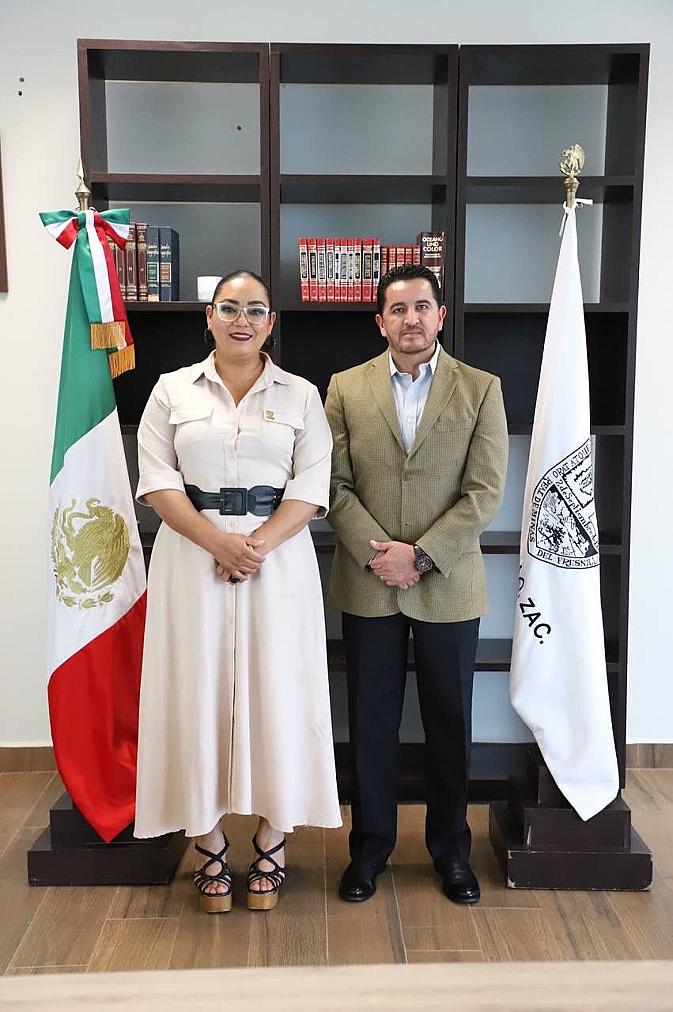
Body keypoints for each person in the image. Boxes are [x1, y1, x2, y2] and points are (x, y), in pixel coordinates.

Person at [134, 269, 341, 913]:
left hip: (276, 560)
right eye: (229, 308)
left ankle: (273, 842)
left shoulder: (301, 395)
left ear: (271, 322)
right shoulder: (171, 391)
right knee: (193, 688)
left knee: (280, 690)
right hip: (191, 555)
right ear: (210, 317)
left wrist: (253, 545)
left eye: (255, 309)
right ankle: (208, 842)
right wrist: (218, 543)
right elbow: (157, 481)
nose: (241, 320)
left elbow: (312, 485)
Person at [324, 263, 508, 906]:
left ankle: (452, 852)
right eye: (398, 309)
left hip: (449, 585)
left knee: (449, 722)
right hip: (369, 580)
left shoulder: (481, 388)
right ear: (381, 321)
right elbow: (332, 484)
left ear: (440, 315)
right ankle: (369, 851)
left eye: (422, 306)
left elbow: (484, 493)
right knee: (370, 722)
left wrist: (421, 557)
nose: (411, 319)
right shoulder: (345, 388)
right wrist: (383, 557)